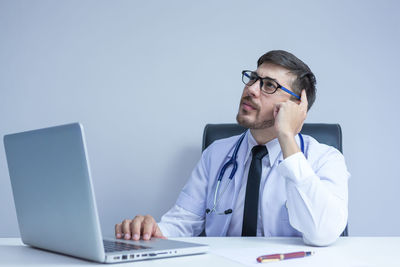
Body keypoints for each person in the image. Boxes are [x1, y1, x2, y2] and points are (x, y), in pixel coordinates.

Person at [115, 50, 350, 246]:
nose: (251, 90)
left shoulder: (325, 159)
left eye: (269, 85)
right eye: (253, 79)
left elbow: (323, 233)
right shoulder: (216, 154)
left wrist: (287, 137)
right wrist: (151, 231)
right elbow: (183, 221)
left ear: (296, 106)